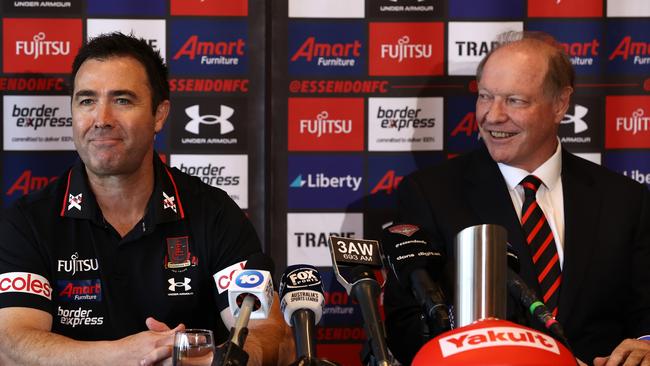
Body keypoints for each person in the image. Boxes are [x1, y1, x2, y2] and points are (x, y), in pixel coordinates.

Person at [0, 32, 292, 366]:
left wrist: (212, 360)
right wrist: (129, 355)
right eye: (86, 100)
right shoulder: (28, 221)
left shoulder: (213, 212)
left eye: (122, 100)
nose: (102, 119)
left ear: (160, 114)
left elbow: (274, 336)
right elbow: (11, 345)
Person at [384, 31, 650, 366]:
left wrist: (646, 345)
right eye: (485, 97)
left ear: (560, 104)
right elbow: (405, 324)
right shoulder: (430, 193)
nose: (492, 116)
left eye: (515, 101)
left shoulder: (625, 199)